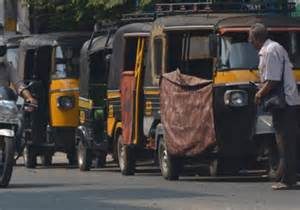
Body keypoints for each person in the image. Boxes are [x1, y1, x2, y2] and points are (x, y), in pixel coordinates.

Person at [249, 23, 300, 190]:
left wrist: (259, 94)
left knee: (285, 141)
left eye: (250, 37)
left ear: (256, 38)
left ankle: (288, 180)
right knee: (285, 141)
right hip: (285, 103)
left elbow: (273, 80)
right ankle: (287, 177)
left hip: (286, 103)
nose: (249, 41)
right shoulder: (270, 50)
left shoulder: (270, 51)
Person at [0, 38, 37, 106]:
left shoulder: (8, 67)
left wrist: (29, 97)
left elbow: (18, 84)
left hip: (4, 106)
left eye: (1, 49)